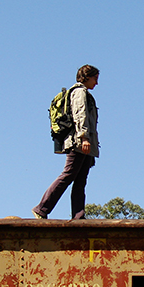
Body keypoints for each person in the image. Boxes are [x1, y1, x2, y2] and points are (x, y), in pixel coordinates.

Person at [32, 65, 100, 219]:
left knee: (80, 181)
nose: (96, 83)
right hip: (79, 143)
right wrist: (84, 138)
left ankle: (78, 216)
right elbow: (79, 115)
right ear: (86, 77)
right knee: (68, 175)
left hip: (85, 144)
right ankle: (41, 208)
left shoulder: (85, 93)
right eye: (95, 78)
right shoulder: (79, 92)